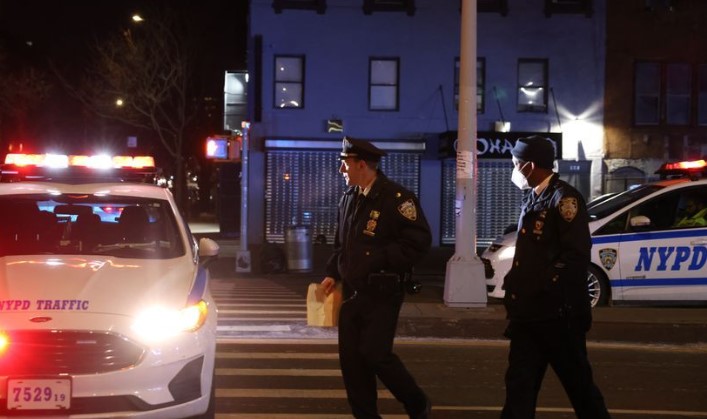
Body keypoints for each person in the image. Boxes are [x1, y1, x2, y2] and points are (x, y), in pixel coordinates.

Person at [320, 136, 432, 419]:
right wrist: (332, 273)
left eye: (344, 164)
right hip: (351, 293)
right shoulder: (349, 198)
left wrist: (376, 259)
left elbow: (418, 242)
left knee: (375, 354)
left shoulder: (397, 199)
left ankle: (416, 402)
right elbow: (341, 244)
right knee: (352, 363)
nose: (341, 170)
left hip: (382, 293)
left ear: (361, 164)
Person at [501, 135, 611, 419]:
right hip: (529, 316)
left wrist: (539, 287)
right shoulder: (535, 196)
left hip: (558, 318)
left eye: (516, 162)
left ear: (529, 165)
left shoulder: (565, 199)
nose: (513, 167)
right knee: (519, 386)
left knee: (580, 388)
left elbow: (575, 257)